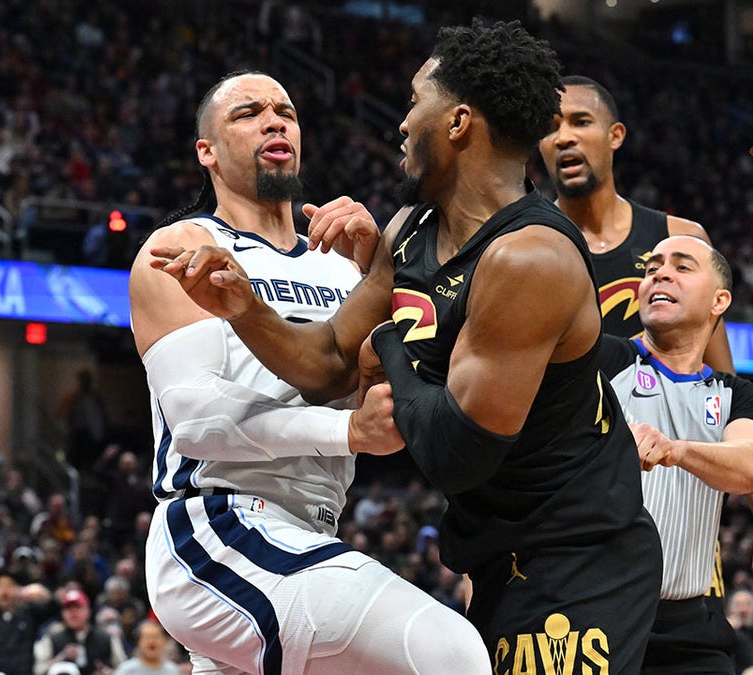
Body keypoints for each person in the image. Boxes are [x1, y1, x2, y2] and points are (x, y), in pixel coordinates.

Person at [154, 21, 663, 672]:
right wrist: (248, 311)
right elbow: (329, 362)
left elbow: (457, 451)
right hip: (496, 546)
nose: (400, 123)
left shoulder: (531, 256)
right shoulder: (410, 229)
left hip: (578, 548)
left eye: (414, 101)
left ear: (456, 122)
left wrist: (388, 337)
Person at [129, 70, 487, 675]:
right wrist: (349, 434)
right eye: (248, 114)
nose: (274, 121)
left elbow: (383, 394)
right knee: (448, 652)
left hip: (314, 525)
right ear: (206, 152)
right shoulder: (186, 245)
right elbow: (194, 421)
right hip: (218, 526)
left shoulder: (342, 264)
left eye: (285, 112)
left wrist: (381, 270)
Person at [538, 73, 753, 632]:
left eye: (580, 122)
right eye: (550, 127)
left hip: (677, 518)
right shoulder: (524, 239)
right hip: (571, 516)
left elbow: (728, 398)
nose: (563, 138)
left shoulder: (678, 237)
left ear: (615, 135)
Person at [595, 235, 753, 673]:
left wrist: (675, 450)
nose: (659, 273)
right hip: (596, 616)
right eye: (651, 267)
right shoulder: (599, 360)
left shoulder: (740, 397)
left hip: (688, 625)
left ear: (720, 301)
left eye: (681, 267)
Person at [33, 588, 127, 675]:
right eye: (68, 609)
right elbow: (37, 670)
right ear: (62, 613)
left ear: (88, 610)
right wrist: (60, 658)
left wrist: (109, 673)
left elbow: (124, 669)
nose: (73, 613)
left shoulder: (106, 638)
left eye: (78, 608)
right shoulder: (52, 638)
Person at [113, 621, 180, 675]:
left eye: (156, 637)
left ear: (164, 641)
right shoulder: (126, 670)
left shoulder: (172, 670)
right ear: (138, 641)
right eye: (147, 637)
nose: (152, 641)